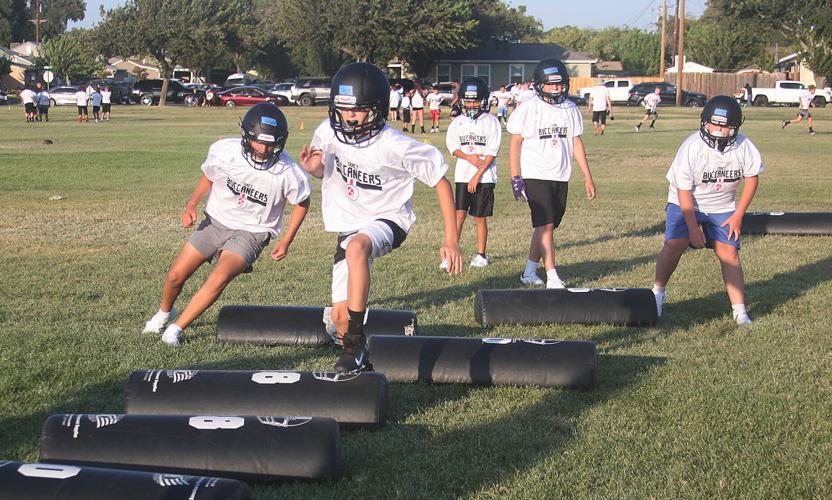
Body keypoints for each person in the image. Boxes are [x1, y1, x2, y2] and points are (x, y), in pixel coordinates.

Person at [299, 62, 462, 373]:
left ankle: (355, 342)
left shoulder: (395, 145)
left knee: (357, 248)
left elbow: (440, 181)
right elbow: (325, 171)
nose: (349, 116)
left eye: (358, 109)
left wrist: (451, 240)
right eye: (344, 108)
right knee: (339, 318)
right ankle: (361, 361)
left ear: (377, 108)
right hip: (349, 224)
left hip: (389, 218)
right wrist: (314, 169)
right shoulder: (327, 132)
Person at [142, 102, 312, 346]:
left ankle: (176, 329)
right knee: (175, 276)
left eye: (270, 143)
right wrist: (191, 205)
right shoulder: (225, 151)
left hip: (252, 233)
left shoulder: (288, 171)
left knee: (219, 276)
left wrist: (286, 240)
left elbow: (302, 201)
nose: (264, 149)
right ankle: (164, 313)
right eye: (259, 142)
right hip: (215, 222)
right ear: (246, 136)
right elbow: (209, 176)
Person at [652, 96, 762, 326]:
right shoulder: (692, 147)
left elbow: (752, 179)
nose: (719, 131)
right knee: (675, 244)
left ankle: (740, 311)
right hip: (687, 202)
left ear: (735, 126)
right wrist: (692, 227)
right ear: (704, 122)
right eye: (715, 124)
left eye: (725, 126)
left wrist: (738, 215)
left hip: (723, 206)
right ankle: (657, 293)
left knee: (729, 253)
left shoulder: (743, 146)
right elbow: (683, 191)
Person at [508, 58, 597, 288]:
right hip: (535, 173)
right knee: (546, 225)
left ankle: (529, 272)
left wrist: (587, 176)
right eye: (551, 84)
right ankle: (552, 276)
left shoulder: (570, 108)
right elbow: (515, 142)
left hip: (560, 174)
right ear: (540, 84)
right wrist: (516, 176)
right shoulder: (529, 108)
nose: (556, 88)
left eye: (559, 84)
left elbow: (575, 142)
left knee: (545, 225)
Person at [445, 77, 501, 268]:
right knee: (458, 215)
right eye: (468, 101)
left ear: (484, 100)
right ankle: (452, 252)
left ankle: (481, 255)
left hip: (484, 177)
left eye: (475, 101)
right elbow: (453, 147)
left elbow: (491, 153)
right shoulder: (457, 123)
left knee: (479, 217)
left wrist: (477, 175)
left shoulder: (491, 122)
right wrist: (469, 158)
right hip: (462, 175)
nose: (471, 105)